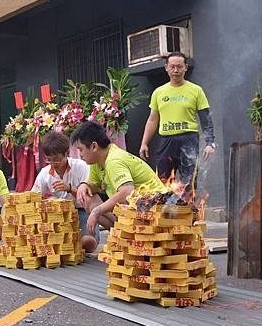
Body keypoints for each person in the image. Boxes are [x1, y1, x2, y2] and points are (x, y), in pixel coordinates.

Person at [71, 121, 168, 236]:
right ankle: (122, 236)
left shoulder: (114, 161)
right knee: (87, 197)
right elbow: (94, 184)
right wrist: (84, 185)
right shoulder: (98, 160)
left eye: (81, 149)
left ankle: (128, 236)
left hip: (157, 208)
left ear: (94, 146)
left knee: (98, 208)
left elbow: (127, 191)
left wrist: (97, 211)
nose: (80, 154)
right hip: (138, 208)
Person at [139, 51, 216, 187]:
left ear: (186, 67)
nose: (176, 70)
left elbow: (205, 118)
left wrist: (210, 143)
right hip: (166, 140)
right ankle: (164, 207)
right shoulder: (158, 92)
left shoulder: (196, 90)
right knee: (163, 180)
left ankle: (187, 207)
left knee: (189, 180)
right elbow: (152, 119)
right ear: (166, 68)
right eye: (172, 66)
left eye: (179, 66)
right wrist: (144, 143)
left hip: (189, 139)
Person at [31, 131, 99, 252]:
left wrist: (69, 188)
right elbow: (33, 197)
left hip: (82, 211)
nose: (53, 164)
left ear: (67, 153)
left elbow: (90, 195)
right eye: (48, 160)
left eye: (56, 160)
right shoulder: (45, 173)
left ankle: (73, 243)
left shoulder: (81, 167)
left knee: (89, 242)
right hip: (58, 215)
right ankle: (66, 244)